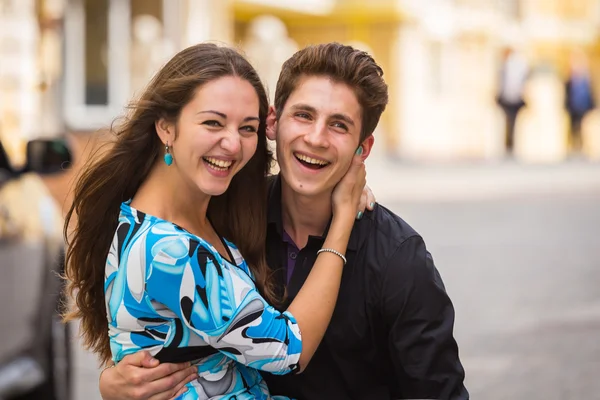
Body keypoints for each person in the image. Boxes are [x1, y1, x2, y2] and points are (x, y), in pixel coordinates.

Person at [99, 43, 469, 400]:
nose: (316, 138)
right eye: (304, 115)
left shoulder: (397, 258)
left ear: (363, 149)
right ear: (274, 122)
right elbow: (154, 327)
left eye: (339, 125)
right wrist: (114, 382)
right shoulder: (220, 214)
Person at [63, 43, 367, 399]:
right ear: (165, 127)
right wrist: (343, 217)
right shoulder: (169, 250)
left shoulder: (183, 214)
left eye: (247, 128)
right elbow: (289, 349)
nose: (233, 145)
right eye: (213, 122)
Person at [496, 47, 529, 155]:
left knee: (512, 122)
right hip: (507, 99)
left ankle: (511, 144)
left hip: (514, 99)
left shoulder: (516, 66)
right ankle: (509, 144)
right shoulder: (505, 66)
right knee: (509, 122)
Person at [565, 50, 595, 154]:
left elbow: (590, 95)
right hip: (573, 108)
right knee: (573, 128)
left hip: (584, 108)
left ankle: (582, 146)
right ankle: (573, 145)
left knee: (584, 127)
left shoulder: (587, 79)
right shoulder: (570, 79)